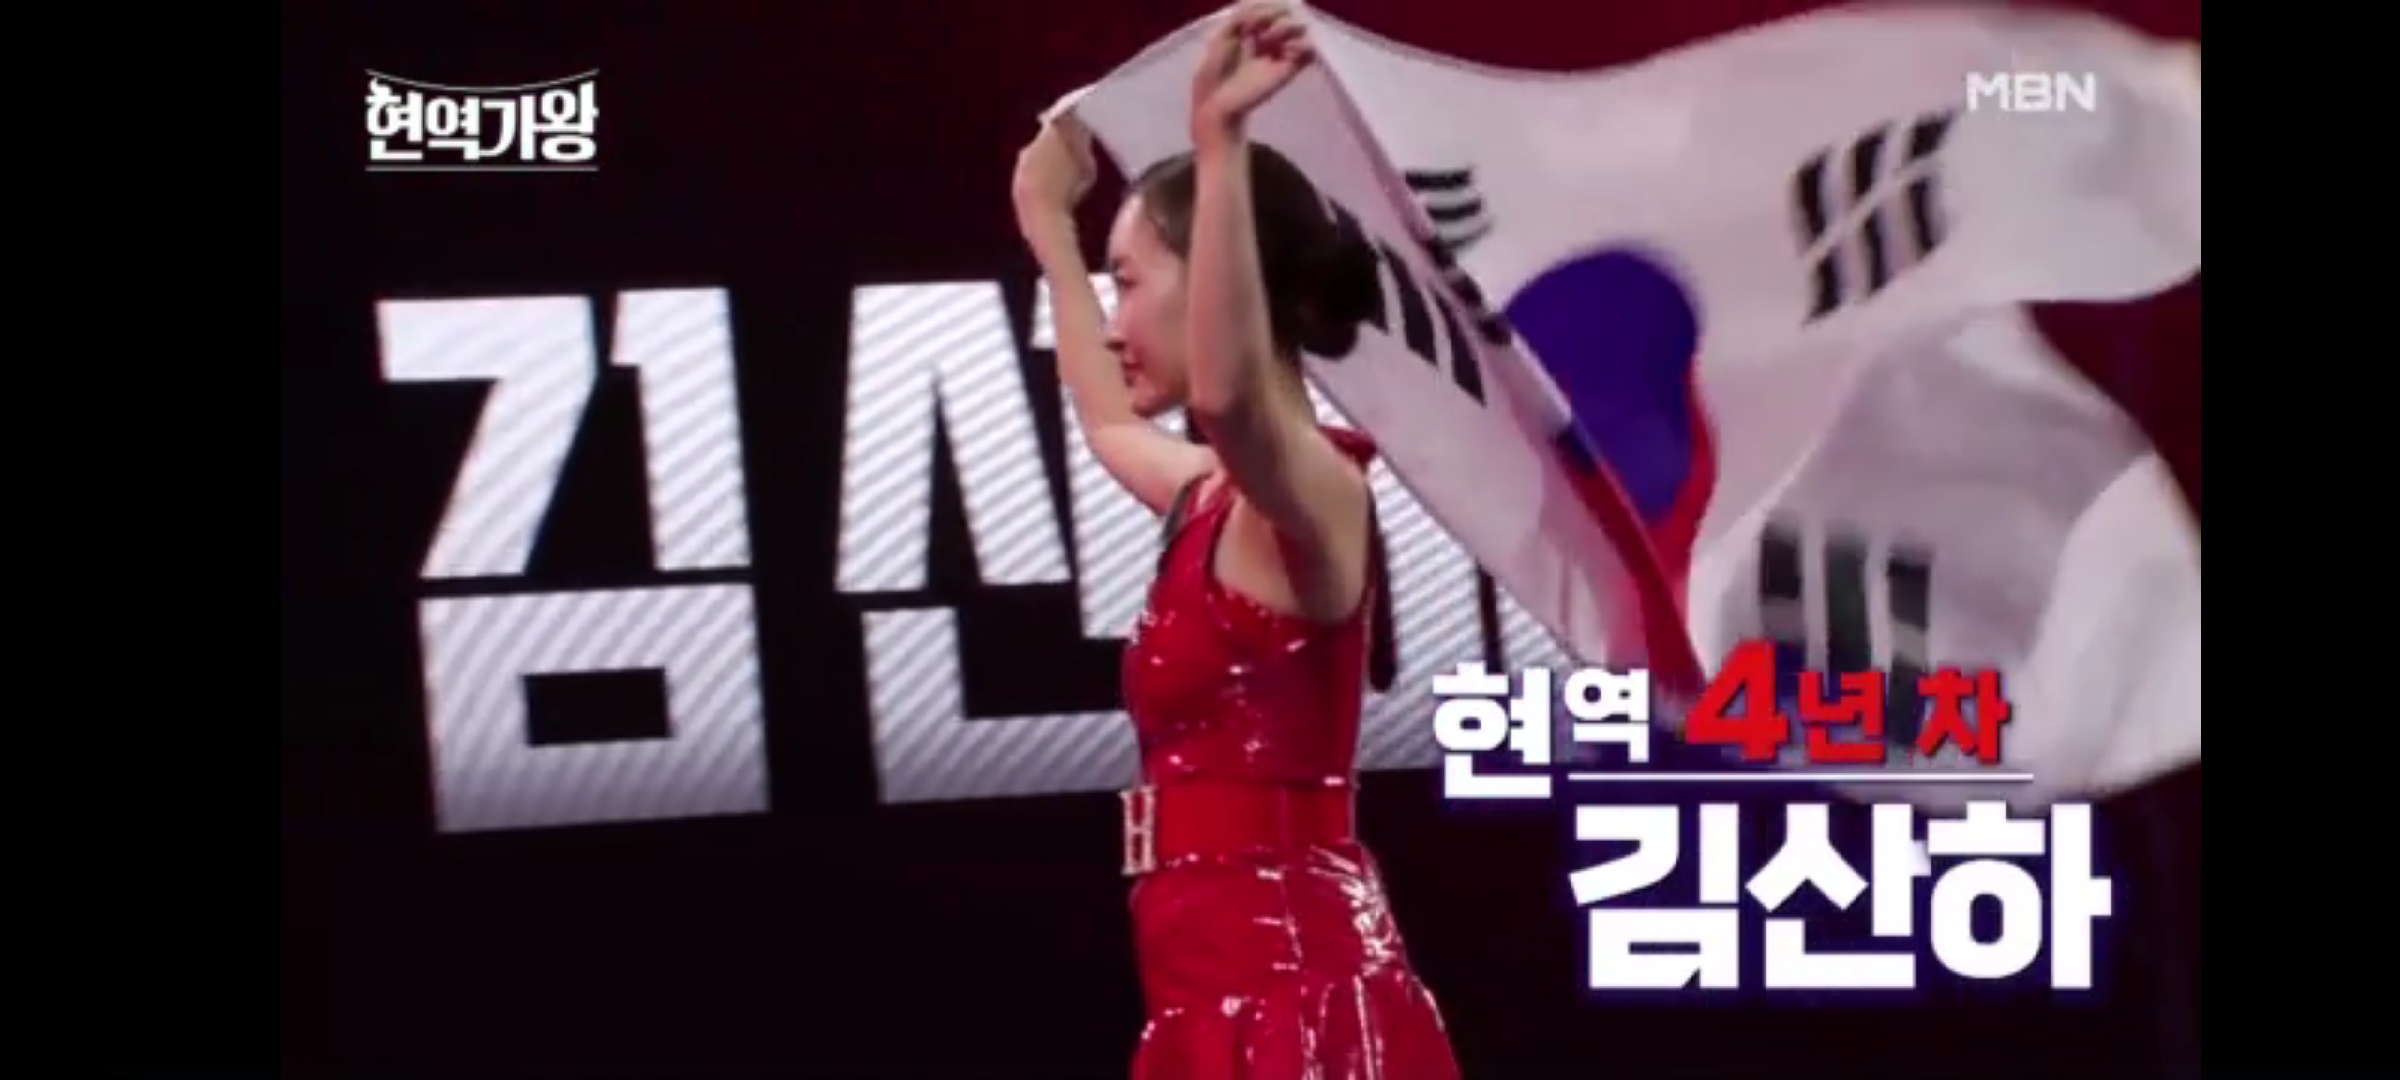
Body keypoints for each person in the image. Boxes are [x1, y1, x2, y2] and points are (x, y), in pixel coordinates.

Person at [1009, 4, 1461, 1078]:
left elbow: (1226, 395)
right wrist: (1046, 223)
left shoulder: (1314, 497)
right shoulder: (1208, 497)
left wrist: (1219, 143)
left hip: (1298, 996)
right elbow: (1109, 423)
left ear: (1226, 282)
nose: (1113, 322)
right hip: (1207, 985)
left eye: (1130, 282)